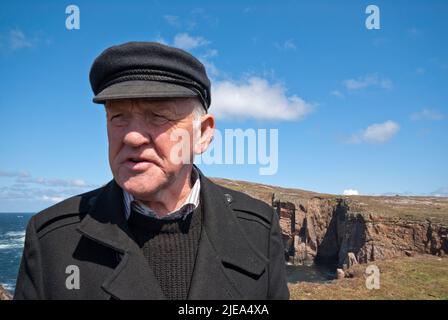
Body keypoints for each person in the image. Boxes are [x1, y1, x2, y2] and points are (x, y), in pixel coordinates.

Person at [14, 42, 289, 300]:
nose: (132, 138)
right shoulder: (51, 240)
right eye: (118, 117)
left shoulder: (258, 230)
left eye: (158, 116)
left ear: (203, 135)